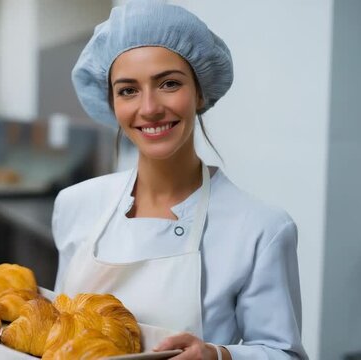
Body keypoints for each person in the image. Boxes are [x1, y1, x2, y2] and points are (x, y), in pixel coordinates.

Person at [51, 1, 308, 359]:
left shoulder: (260, 228)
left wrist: (219, 356)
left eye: (169, 83)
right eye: (128, 90)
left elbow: (285, 353)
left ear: (200, 92)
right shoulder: (76, 205)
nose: (150, 108)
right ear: (111, 103)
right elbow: (59, 330)